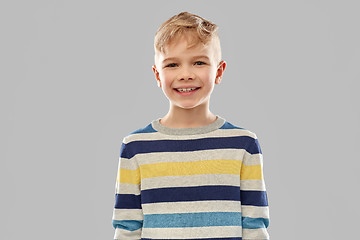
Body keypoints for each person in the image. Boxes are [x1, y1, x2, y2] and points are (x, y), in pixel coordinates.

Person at [112, 11, 270, 239]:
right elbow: (127, 229)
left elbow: (254, 227)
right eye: (172, 64)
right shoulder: (135, 147)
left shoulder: (244, 145)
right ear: (157, 75)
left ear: (219, 71)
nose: (185, 74)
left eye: (199, 62)